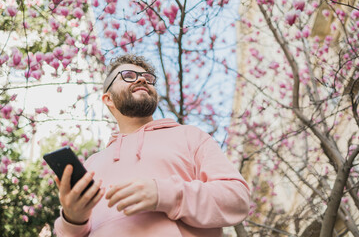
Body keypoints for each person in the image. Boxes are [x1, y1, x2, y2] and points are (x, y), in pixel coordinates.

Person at [53, 54, 250, 237]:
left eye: (147, 77)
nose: (142, 80)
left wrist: (164, 194)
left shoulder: (190, 136)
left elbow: (237, 199)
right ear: (108, 99)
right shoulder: (91, 164)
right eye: (128, 75)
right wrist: (72, 219)